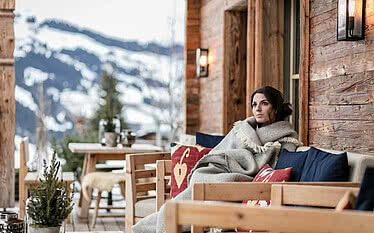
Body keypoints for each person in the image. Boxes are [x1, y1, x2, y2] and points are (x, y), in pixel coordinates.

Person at [132, 86, 301, 233]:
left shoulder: (286, 139)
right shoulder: (242, 129)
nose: (257, 109)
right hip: (218, 171)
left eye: (264, 103)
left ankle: (162, 225)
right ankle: (153, 224)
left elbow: (271, 169)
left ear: (276, 108)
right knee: (178, 202)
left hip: (246, 182)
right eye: (254, 104)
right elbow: (221, 151)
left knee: (219, 186)